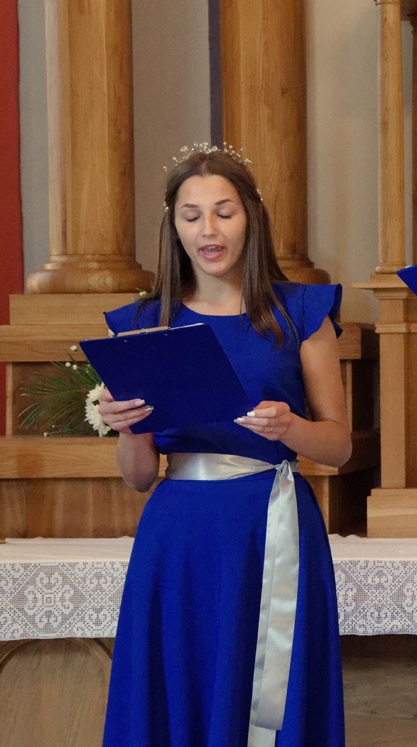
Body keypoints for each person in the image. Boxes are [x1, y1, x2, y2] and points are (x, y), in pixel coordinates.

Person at [97, 144, 352, 747]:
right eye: (191, 216)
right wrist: (127, 427)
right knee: (182, 682)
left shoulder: (300, 312)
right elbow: (139, 476)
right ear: (174, 226)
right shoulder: (143, 324)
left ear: (251, 218)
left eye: (224, 212)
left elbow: (339, 445)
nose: (208, 230)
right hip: (180, 532)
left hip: (272, 521)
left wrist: (290, 429)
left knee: (270, 689)